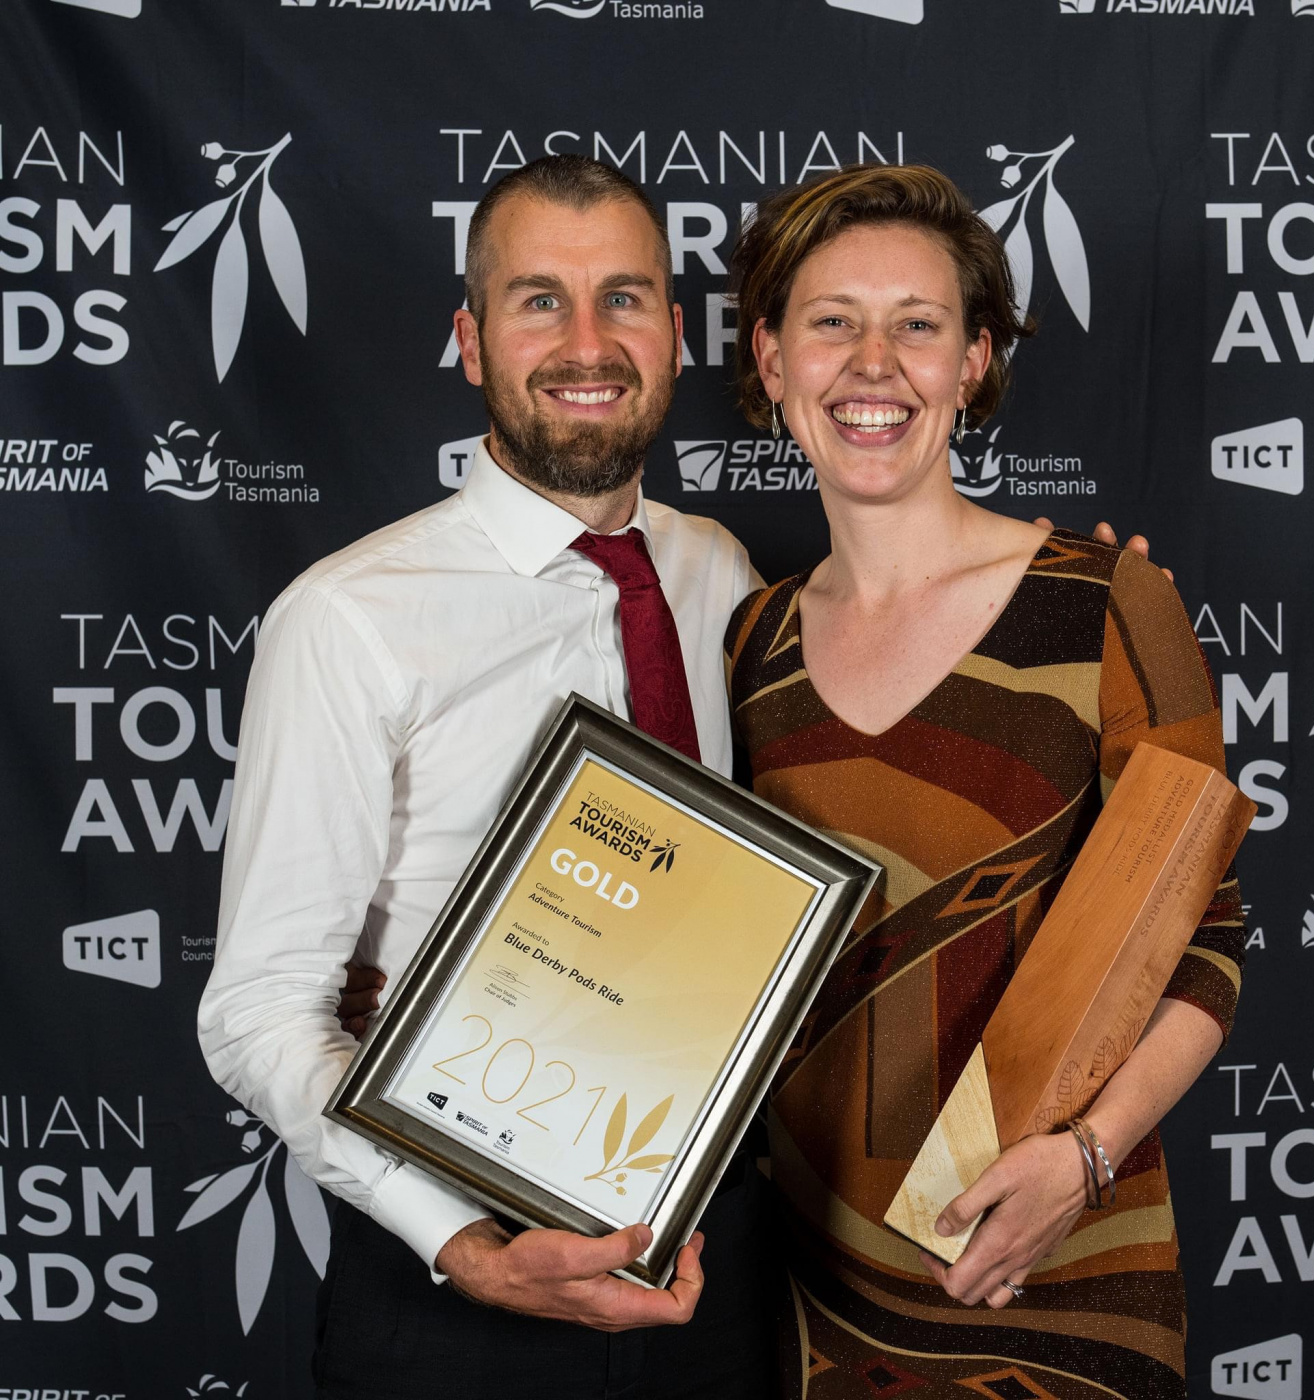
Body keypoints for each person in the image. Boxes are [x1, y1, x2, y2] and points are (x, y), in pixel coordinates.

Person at [200, 151, 1158, 1398]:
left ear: (676, 330)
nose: (586, 341)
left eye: (625, 298)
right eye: (538, 298)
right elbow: (258, 1005)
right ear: (471, 341)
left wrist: (1095, 604)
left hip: (729, 1272)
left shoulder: (724, 580)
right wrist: (463, 1240)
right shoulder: (347, 617)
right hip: (461, 1296)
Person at [723, 164, 1244, 1400]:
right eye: (829, 321)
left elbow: (1209, 941)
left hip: (1052, 1282)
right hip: (811, 1300)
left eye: (917, 324)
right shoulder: (747, 642)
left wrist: (1086, 1157)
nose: (871, 362)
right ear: (771, 358)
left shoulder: (1112, 601)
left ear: (970, 364)